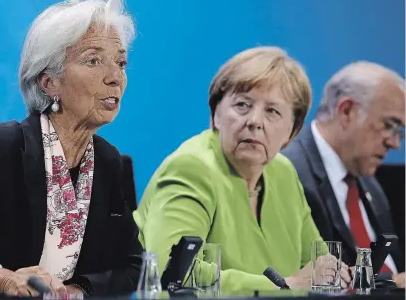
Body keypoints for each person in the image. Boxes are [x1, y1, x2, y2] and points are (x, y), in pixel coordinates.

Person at [0, 0, 142, 297]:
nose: (115, 77)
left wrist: (76, 291)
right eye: (93, 60)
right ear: (49, 82)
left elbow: (133, 267)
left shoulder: (111, 164)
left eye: (121, 62)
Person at [133, 47, 352, 292]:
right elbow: (170, 272)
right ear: (216, 114)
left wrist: (350, 276)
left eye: (272, 111)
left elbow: (319, 262)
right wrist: (284, 286)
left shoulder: (283, 172)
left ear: (292, 130)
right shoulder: (192, 168)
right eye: (242, 105)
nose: (254, 121)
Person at [282, 61, 405, 287]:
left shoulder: (370, 183)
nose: (395, 143)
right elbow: (315, 277)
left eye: (400, 132)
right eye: (389, 125)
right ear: (346, 111)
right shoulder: (288, 174)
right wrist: (393, 284)